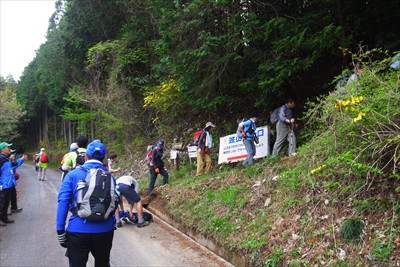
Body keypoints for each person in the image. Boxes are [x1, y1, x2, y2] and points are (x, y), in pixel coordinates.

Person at [56, 141, 117, 267]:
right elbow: (115, 201)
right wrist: (113, 221)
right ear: (104, 158)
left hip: (78, 230)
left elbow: (63, 202)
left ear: (85, 156)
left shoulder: (73, 175)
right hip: (105, 230)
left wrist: (60, 230)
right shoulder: (110, 177)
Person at [0, 142, 26, 226]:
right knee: (2, 203)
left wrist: (21, 159)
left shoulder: (6, 159)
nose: (10, 149)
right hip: (3, 185)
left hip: (9, 184)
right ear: (3, 149)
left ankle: (4, 218)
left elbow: (13, 167)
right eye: (8, 147)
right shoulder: (1, 159)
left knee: (6, 202)